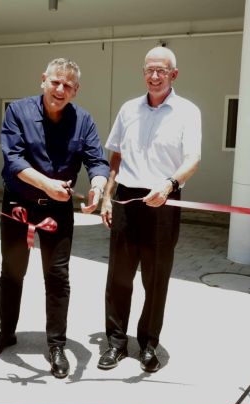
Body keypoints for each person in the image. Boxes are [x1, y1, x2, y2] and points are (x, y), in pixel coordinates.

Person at [0, 58, 109, 379]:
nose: (60, 89)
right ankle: (6, 332)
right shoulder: (18, 111)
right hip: (19, 205)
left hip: (58, 209)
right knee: (12, 272)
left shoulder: (83, 120)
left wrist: (97, 186)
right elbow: (13, 159)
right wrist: (47, 184)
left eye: (68, 85)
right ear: (43, 80)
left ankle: (56, 345)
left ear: (76, 90)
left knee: (57, 276)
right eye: (55, 82)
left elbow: (97, 160)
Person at [97, 46, 201, 373]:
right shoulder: (128, 109)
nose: (154, 76)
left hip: (164, 200)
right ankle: (115, 343)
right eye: (149, 70)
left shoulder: (187, 111)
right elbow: (116, 155)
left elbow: (193, 160)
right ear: (143, 72)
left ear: (174, 74)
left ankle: (148, 344)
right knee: (119, 277)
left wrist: (169, 185)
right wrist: (107, 197)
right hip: (126, 199)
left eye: (161, 70)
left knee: (155, 279)